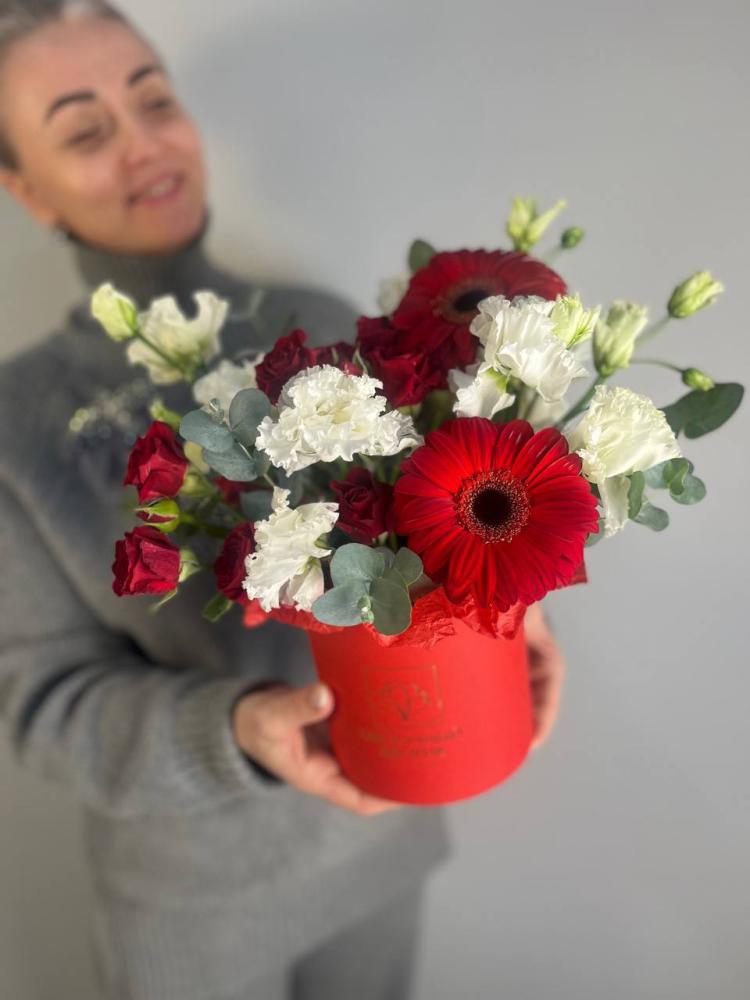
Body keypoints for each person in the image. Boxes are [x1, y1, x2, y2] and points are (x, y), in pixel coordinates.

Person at [0, 2, 567, 998]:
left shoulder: (321, 319)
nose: (143, 145)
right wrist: (237, 729)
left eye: (154, 100)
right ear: (24, 189)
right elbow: (43, 702)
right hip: (197, 911)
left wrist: (511, 602)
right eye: (85, 130)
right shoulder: (21, 420)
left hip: (390, 835)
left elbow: (447, 518)